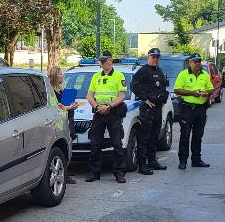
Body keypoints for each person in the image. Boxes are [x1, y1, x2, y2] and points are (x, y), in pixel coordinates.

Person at [85, 51, 128, 184]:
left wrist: (109, 106)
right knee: (95, 143)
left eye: (105, 60)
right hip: (99, 112)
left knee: (117, 143)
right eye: (101, 61)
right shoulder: (96, 76)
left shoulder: (119, 75)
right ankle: (94, 173)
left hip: (113, 112)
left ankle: (119, 173)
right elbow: (89, 95)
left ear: (111, 60)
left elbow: (122, 96)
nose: (103, 63)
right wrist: (97, 107)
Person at [130, 47, 170, 175]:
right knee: (145, 138)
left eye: (157, 57)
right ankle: (142, 165)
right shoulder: (143, 71)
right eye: (153, 57)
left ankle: (152, 161)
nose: (155, 59)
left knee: (154, 137)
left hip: (158, 108)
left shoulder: (160, 70)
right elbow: (134, 86)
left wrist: (163, 100)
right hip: (147, 109)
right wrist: (145, 99)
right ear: (148, 57)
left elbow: (163, 87)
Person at [174, 54, 214, 170]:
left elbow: (210, 87)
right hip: (187, 109)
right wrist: (192, 93)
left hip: (200, 109)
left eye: (199, 61)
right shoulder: (183, 74)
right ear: (190, 63)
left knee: (198, 136)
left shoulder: (205, 74)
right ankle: (183, 161)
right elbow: (177, 90)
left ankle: (196, 160)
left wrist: (208, 93)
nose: (198, 64)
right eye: (195, 62)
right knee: (185, 136)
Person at [48, 65, 79, 184]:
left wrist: (72, 105)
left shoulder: (61, 89)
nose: (63, 76)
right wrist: (69, 107)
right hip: (58, 124)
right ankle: (63, 175)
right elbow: (56, 107)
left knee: (68, 147)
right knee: (62, 149)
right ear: (55, 76)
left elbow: (64, 104)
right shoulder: (51, 91)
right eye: (61, 74)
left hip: (67, 121)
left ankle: (64, 172)